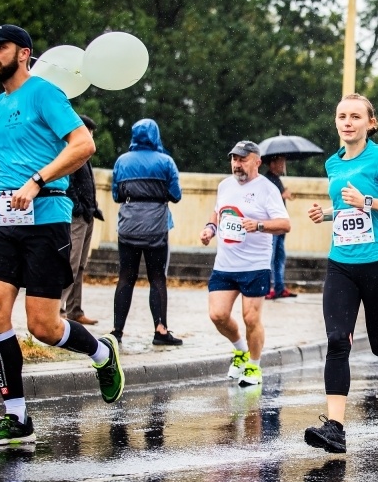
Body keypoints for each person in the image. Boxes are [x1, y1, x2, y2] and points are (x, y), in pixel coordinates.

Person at [0, 24, 123, 447]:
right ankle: (16, 420)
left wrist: (36, 181)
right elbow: (20, 153)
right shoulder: (1, 105)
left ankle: (102, 353)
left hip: (46, 218)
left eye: (1, 47)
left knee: (44, 327)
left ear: (24, 54)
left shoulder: (45, 92)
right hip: (5, 220)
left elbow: (82, 144)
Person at [304, 93, 378, 454]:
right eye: (342, 116)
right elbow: (346, 207)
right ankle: (336, 428)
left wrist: (368, 202)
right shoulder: (333, 163)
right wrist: (325, 214)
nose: (347, 122)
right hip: (341, 261)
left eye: (356, 116)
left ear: (370, 123)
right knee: (338, 339)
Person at [199, 141, 291, 386]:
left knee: (251, 318)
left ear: (257, 161)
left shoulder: (268, 189)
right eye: (234, 159)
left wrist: (258, 225)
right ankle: (240, 349)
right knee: (217, 315)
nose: (236, 164)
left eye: (242, 159)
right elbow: (217, 213)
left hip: (255, 265)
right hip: (225, 264)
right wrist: (210, 228)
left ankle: (254, 366)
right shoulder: (224, 185)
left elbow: (285, 224)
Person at [111, 119, 183, 346]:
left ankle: (117, 330)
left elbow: (117, 196)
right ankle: (160, 330)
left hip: (129, 227)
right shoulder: (166, 162)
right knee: (157, 278)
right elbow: (176, 195)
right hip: (156, 228)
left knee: (126, 277)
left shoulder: (122, 161)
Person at [60, 115, 103, 325]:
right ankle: (58, 310)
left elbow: (87, 186)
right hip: (76, 216)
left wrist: (93, 209)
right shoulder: (70, 154)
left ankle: (75, 310)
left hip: (86, 215)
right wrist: (79, 208)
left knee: (80, 266)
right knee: (71, 263)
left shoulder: (85, 157)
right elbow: (68, 184)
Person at [261, 154, 298, 300]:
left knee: (279, 257)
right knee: (271, 257)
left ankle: (279, 287)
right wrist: (282, 195)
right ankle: (268, 287)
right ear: (272, 164)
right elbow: (266, 199)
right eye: (280, 162)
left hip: (281, 224)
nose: (283, 164)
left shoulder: (276, 180)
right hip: (272, 224)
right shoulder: (267, 180)